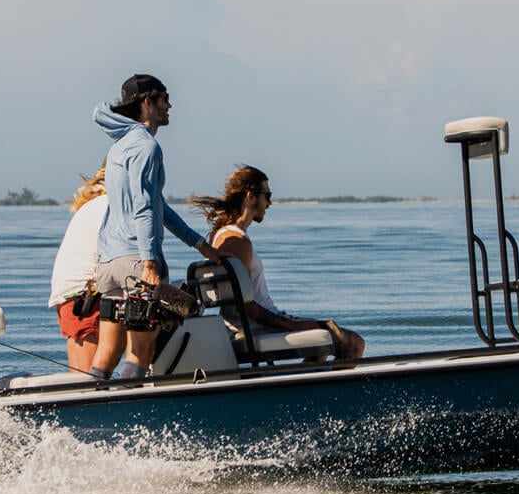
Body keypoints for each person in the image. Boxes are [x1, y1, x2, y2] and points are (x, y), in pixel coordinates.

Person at [89, 74, 220, 381]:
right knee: (140, 353)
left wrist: (198, 244)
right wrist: (149, 263)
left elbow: (157, 205)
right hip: (137, 259)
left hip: (109, 262)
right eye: (164, 97)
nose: (170, 105)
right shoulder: (147, 148)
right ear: (147, 102)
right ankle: (131, 422)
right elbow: (145, 208)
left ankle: (91, 411)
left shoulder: (120, 146)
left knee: (107, 353)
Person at [186, 165, 366, 360]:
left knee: (319, 344)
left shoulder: (220, 236)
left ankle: (306, 386)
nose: (270, 203)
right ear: (250, 196)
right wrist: (291, 325)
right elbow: (245, 306)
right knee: (353, 343)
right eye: (267, 195)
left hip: (245, 324)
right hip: (251, 328)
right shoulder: (237, 242)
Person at [48, 165, 106, 373]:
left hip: (72, 293)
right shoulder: (110, 205)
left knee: (82, 374)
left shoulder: (91, 206)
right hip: (86, 295)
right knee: (87, 378)